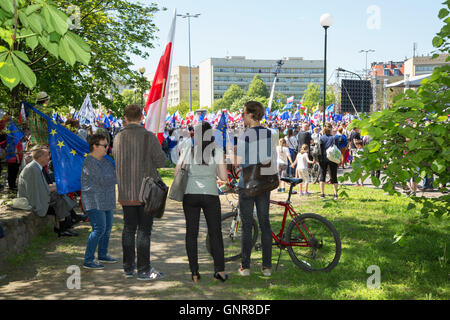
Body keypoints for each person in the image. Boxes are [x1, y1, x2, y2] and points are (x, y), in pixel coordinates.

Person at [112, 104, 167, 280]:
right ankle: (143, 269)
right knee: (144, 230)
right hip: (145, 191)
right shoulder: (148, 137)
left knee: (129, 229)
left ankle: (128, 267)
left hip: (126, 191)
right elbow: (161, 162)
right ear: (141, 117)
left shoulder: (117, 137)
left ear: (125, 118)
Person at [175, 121, 228, 283]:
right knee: (215, 233)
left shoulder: (187, 148)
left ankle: (195, 272)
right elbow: (224, 177)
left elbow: (178, 170)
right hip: (211, 194)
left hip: (190, 194)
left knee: (191, 233)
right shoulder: (217, 150)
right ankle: (219, 271)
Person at [232, 101, 276, 277]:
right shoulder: (269, 133)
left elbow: (239, 161)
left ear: (251, 115)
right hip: (264, 184)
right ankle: (266, 267)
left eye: (243, 113)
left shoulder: (245, 135)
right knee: (265, 224)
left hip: (247, 184)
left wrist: (233, 154)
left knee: (247, 225)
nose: (242, 117)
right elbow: (270, 157)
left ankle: (245, 266)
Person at [17, 147, 77, 236]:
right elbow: (40, 190)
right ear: (40, 157)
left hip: (37, 195)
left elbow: (43, 187)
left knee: (59, 195)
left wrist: (59, 186)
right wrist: (59, 186)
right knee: (59, 198)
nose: (48, 158)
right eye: (46, 156)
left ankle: (62, 227)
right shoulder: (33, 169)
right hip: (31, 199)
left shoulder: (36, 167)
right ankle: (63, 227)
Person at [81, 133, 117, 270]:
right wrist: (118, 175)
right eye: (104, 145)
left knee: (107, 228)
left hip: (106, 199)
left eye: (108, 145)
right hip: (94, 200)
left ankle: (102, 254)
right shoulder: (89, 162)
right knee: (99, 229)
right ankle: (88, 260)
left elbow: (112, 176)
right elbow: (104, 179)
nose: (107, 148)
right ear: (94, 146)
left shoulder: (105, 160)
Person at [319, 124, 339, 200]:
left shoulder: (321, 137)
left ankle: (322, 193)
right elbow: (337, 148)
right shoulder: (334, 138)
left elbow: (320, 148)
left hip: (323, 158)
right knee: (334, 176)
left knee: (322, 175)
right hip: (332, 159)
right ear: (331, 129)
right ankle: (335, 194)